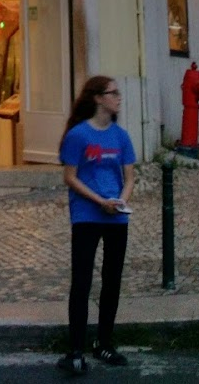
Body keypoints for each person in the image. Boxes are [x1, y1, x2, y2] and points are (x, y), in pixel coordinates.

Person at [56, 75, 136, 375]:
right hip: (87, 215)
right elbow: (70, 176)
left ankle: (104, 342)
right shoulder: (78, 135)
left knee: (112, 280)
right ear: (98, 98)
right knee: (82, 282)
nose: (118, 98)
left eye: (118, 93)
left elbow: (129, 177)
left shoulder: (121, 137)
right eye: (113, 93)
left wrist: (119, 201)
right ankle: (75, 349)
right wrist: (99, 200)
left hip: (116, 216)